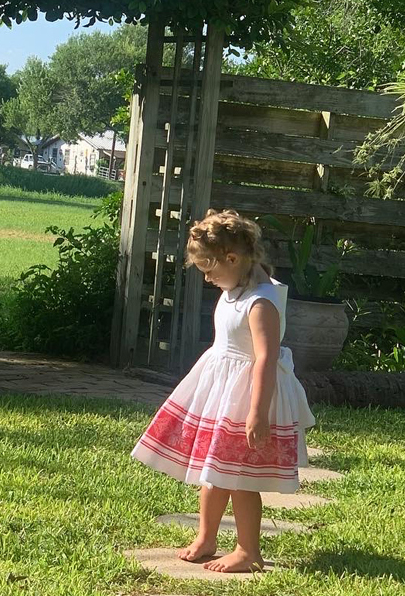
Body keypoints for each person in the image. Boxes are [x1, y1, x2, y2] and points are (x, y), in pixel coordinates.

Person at [131, 208, 316, 573]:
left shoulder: (261, 302)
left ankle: (249, 550)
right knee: (212, 469)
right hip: (222, 392)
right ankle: (206, 537)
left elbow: (265, 358)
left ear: (232, 258)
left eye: (210, 270)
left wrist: (257, 412)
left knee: (239, 478)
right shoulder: (238, 287)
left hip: (247, 397)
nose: (209, 278)